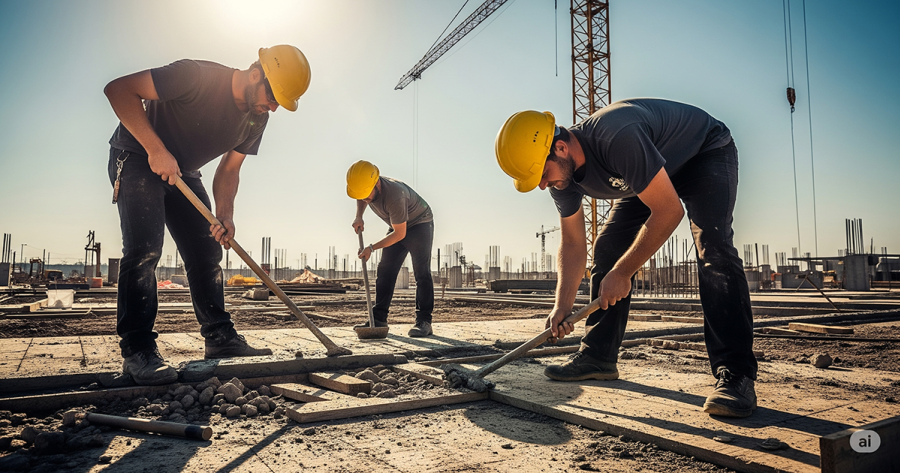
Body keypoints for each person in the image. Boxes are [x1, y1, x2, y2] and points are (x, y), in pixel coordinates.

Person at [495, 98, 757, 418]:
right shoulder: (562, 177)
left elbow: (669, 210)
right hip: (650, 170)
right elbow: (575, 244)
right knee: (607, 247)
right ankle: (598, 357)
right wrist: (562, 306)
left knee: (713, 248)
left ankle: (736, 374)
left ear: (560, 147)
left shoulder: (617, 136)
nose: (542, 184)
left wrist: (623, 272)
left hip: (704, 152)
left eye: (542, 173)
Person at [104, 45, 311, 385]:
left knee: (207, 252)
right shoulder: (196, 76)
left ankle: (219, 339)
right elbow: (119, 90)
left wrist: (225, 215)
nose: (273, 107)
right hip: (139, 156)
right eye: (273, 97)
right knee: (145, 250)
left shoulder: (256, 118)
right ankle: (137, 349)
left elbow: (230, 169)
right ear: (256, 73)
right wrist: (156, 149)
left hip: (184, 171)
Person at [347, 160, 435, 337]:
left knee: (421, 272)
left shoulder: (395, 194)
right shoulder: (366, 187)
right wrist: (359, 216)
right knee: (385, 270)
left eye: (367, 194)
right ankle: (378, 319)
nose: (365, 198)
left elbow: (399, 234)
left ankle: (424, 321)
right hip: (398, 224)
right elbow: (360, 196)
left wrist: (371, 248)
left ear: (376, 182)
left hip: (419, 224)